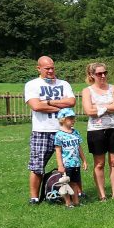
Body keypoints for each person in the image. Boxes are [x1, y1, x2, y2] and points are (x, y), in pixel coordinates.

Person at [25, 56, 76, 204]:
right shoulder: (32, 85)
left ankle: (75, 194)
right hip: (42, 131)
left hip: (64, 131)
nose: (51, 71)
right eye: (47, 68)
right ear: (38, 68)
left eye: (52, 67)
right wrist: (61, 106)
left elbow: (71, 102)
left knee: (70, 164)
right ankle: (34, 198)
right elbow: (36, 106)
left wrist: (47, 102)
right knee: (37, 165)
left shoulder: (64, 84)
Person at [80, 62, 114, 200]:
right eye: (99, 73)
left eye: (105, 72)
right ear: (91, 75)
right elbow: (89, 111)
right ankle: (102, 195)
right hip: (96, 130)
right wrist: (109, 106)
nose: (103, 75)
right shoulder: (87, 91)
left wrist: (99, 107)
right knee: (99, 163)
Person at [53, 108, 87, 208]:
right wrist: (60, 165)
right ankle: (68, 203)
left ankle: (76, 201)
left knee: (74, 183)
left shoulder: (75, 133)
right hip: (66, 164)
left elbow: (79, 147)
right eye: (70, 118)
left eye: (74, 118)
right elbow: (58, 151)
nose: (73, 120)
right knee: (65, 184)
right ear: (63, 120)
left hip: (75, 163)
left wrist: (84, 160)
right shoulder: (59, 135)